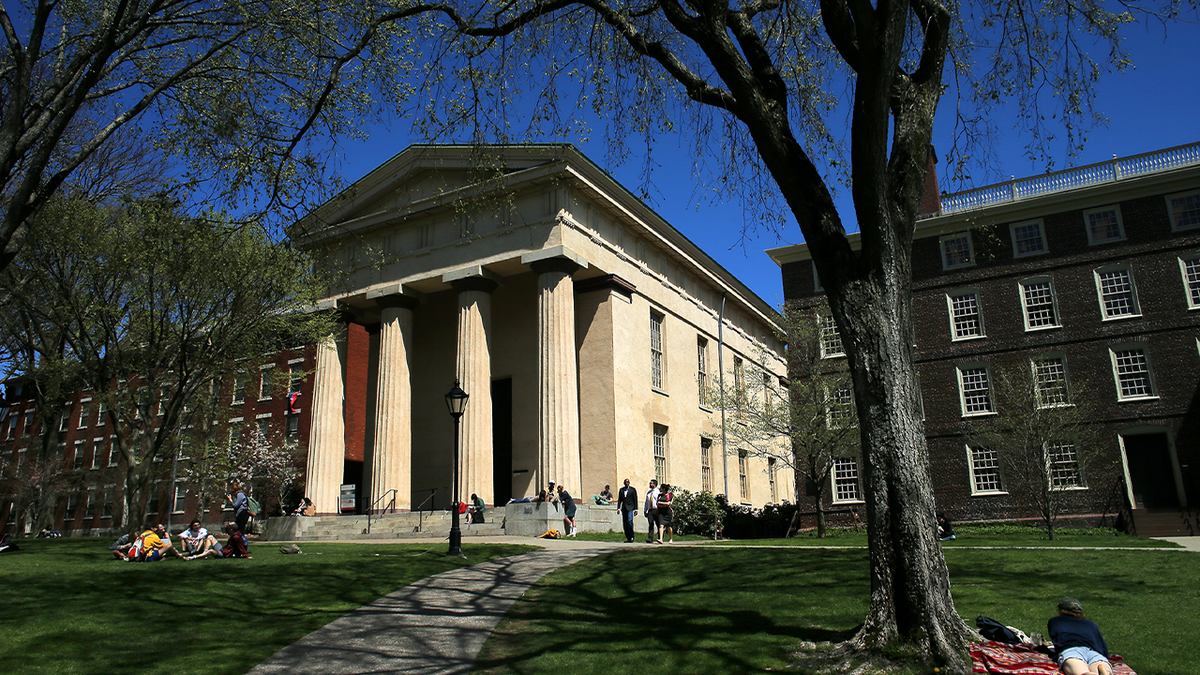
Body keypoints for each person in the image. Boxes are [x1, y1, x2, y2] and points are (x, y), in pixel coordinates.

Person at [1049, 597, 1112, 675]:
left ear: (1061, 610)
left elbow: (1057, 640)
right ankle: (1105, 670)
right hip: (1093, 651)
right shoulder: (1091, 624)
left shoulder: (1056, 621)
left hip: (1072, 650)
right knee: (1099, 662)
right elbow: (1104, 649)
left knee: (1081, 672)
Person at [617, 478, 638, 543]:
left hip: (630, 508)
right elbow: (620, 500)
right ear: (624, 483)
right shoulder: (621, 490)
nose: (626, 483)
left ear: (629, 483)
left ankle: (632, 536)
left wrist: (636, 509)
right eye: (625, 482)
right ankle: (628, 537)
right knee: (625, 523)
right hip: (624, 508)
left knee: (629, 521)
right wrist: (618, 508)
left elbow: (635, 499)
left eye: (627, 482)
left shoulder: (632, 490)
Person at [643, 479, 659, 543]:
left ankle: (660, 537)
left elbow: (659, 500)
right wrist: (645, 510)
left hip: (656, 510)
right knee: (650, 524)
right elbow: (647, 502)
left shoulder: (658, 492)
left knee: (658, 524)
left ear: (654, 484)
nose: (650, 484)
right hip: (650, 510)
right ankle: (650, 538)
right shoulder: (649, 493)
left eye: (651, 483)